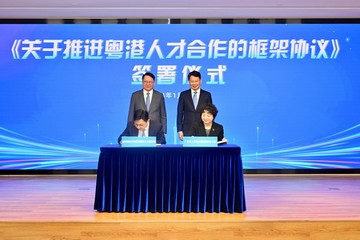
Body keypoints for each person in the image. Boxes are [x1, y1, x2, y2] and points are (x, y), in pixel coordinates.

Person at [177, 70, 213, 141]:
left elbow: (211, 113)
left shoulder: (207, 95)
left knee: (203, 151)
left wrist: (210, 128)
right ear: (189, 81)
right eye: (192, 81)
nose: (194, 83)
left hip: (203, 129)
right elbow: (180, 113)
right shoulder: (183, 95)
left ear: (200, 81)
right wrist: (179, 130)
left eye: (196, 81)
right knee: (188, 151)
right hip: (187, 129)